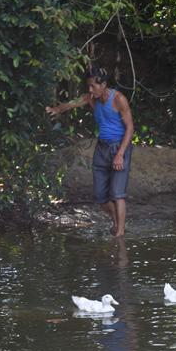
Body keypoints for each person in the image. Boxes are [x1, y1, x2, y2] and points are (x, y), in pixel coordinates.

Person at [47, 68, 134, 237]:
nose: (90, 90)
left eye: (93, 86)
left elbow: (130, 128)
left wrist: (120, 154)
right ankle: (117, 222)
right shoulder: (91, 98)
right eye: (89, 86)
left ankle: (120, 234)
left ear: (103, 84)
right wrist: (57, 110)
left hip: (119, 147)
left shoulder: (118, 99)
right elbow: (73, 103)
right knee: (100, 197)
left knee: (117, 194)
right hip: (102, 147)